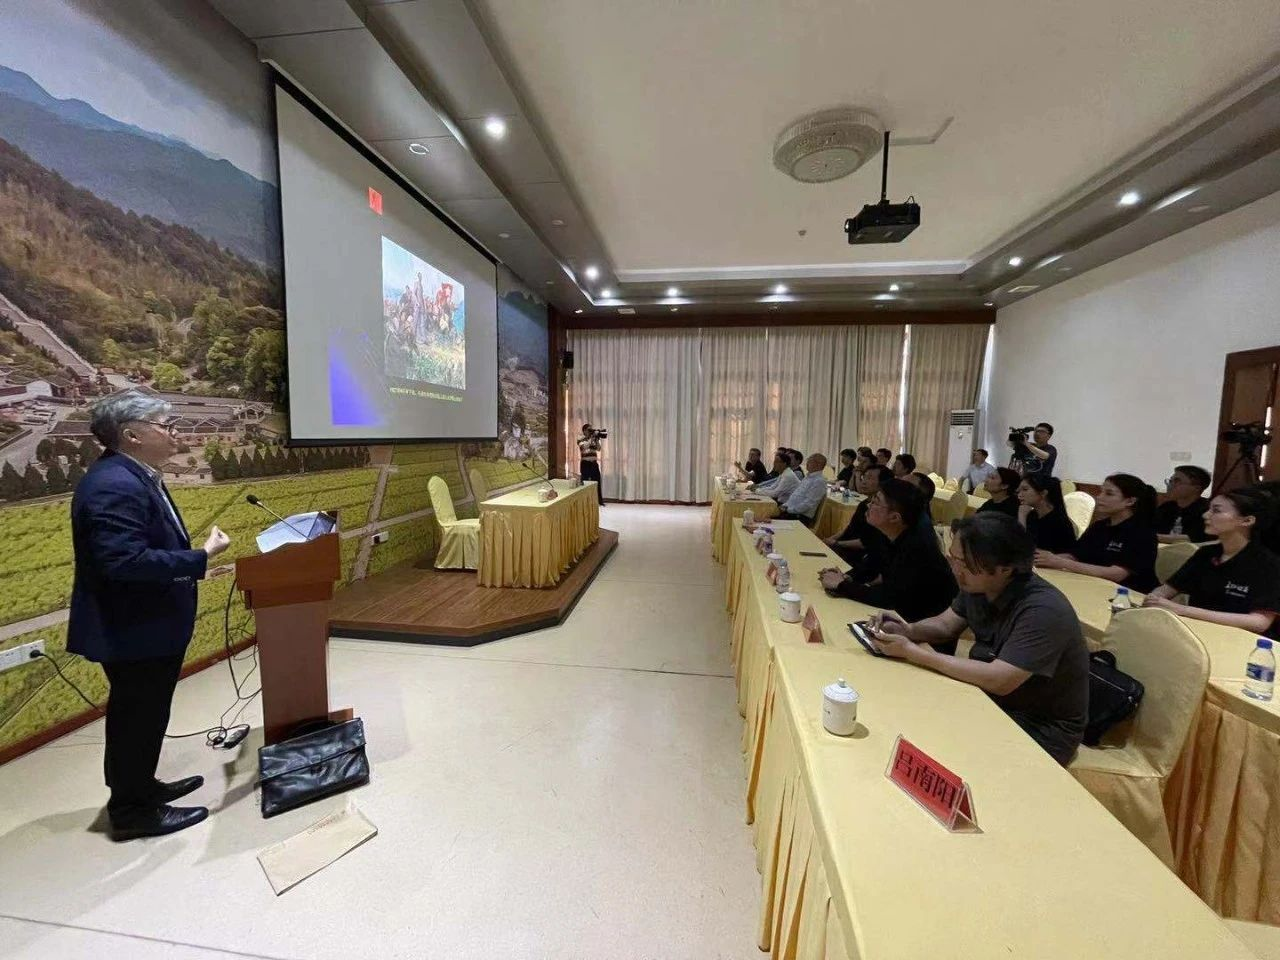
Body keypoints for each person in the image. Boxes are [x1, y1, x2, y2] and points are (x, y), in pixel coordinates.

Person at [68, 390, 231, 841]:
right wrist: (200, 557)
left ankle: (142, 787)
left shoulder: (133, 473)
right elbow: (123, 562)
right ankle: (131, 812)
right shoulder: (114, 484)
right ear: (133, 435)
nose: (176, 432)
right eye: (166, 425)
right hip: (133, 627)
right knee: (136, 717)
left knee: (146, 714)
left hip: (147, 624)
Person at [866, 513, 1088, 766]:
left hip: (1037, 727)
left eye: (964, 563)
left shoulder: (1044, 610)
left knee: (935, 741)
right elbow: (945, 625)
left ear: (1006, 569)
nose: (955, 569)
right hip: (989, 699)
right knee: (902, 708)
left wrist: (914, 652)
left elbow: (1000, 680)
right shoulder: (979, 583)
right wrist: (907, 630)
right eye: (953, 557)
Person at [819, 478, 958, 629]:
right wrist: (848, 576)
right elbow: (873, 563)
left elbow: (889, 598)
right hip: (898, 613)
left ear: (894, 517)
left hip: (921, 626)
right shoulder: (889, 532)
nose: (868, 505)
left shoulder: (917, 548)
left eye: (875, 502)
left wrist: (842, 585)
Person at [1144, 487, 1280, 639]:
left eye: (1216, 510)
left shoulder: (1268, 564)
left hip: (1240, 640)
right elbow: (1167, 589)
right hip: (1194, 633)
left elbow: (1259, 622)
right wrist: (1154, 599)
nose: (1205, 515)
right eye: (1209, 509)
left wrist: (1182, 610)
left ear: (1247, 520)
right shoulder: (1206, 554)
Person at [1035, 473, 1158, 592]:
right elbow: (1075, 555)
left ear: (1130, 501)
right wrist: (1042, 559)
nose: (1099, 497)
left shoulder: (1142, 533)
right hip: (1092, 585)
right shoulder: (1099, 526)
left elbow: (1116, 574)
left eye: (1109, 494)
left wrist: (1061, 562)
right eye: (1100, 492)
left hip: (1127, 592)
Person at [823, 465, 891, 562]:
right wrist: (831, 539)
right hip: (843, 547)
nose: (863, 481)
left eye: (870, 478)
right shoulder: (863, 504)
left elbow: (866, 542)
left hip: (857, 556)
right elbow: (850, 527)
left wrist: (836, 543)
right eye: (864, 477)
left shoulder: (881, 512)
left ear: (882, 483)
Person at [1017, 475, 1078, 554]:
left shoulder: (1058, 521)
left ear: (1043, 493)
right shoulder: (1032, 515)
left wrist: (1022, 516)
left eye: (1025, 489)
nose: (1019, 495)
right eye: (1019, 491)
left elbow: (1026, 548)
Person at [1156, 465, 1212, 543]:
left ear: (1197, 488)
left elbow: (1195, 538)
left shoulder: (1207, 511)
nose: (1170, 485)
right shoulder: (1167, 507)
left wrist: (1153, 537)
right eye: (1170, 481)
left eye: (1177, 481)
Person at [778, 453, 830, 525]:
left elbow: (808, 503)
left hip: (800, 517)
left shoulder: (819, 481)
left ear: (818, 464)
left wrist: (788, 510)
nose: (807, 463)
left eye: (809, 461)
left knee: (768, 519)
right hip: (791, 511)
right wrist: (785, 506)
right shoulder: (808, 477)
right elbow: (795, 495)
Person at [578, 423, 605, 505]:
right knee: (585, 482)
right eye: (589, 430)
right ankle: (585, 502)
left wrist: (596, 439)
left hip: (594, 464)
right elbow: (583, 447)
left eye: (591, 429)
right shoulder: (580, 438)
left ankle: (599, 501)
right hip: (585, 464)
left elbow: (599, 448)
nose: (590, 431)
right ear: (584, 431)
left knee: (597, 482)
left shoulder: (593, 439)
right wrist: (592, 438)